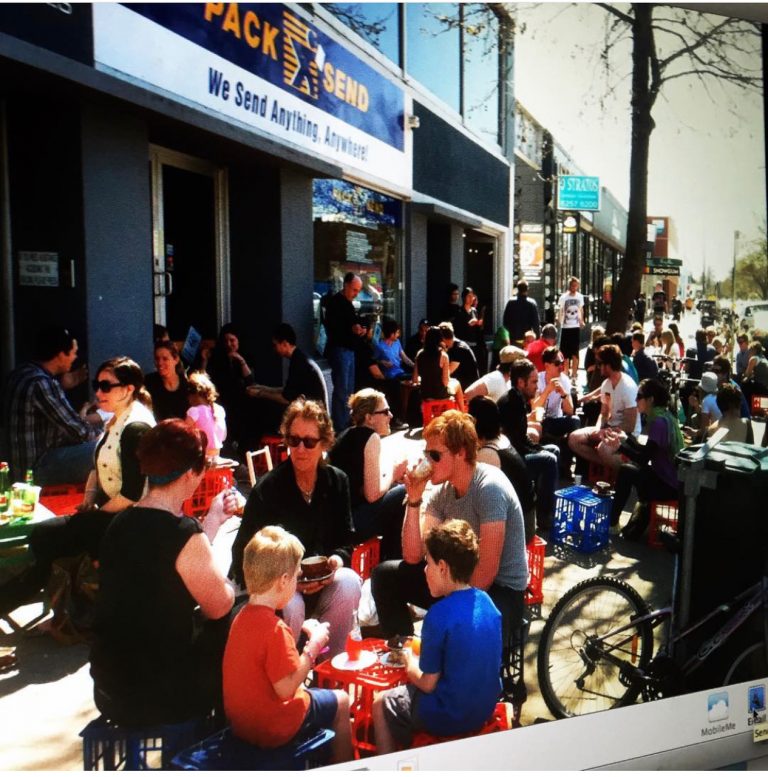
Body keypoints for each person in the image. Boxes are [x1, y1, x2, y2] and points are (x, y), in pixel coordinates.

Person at [90, 419, 238, 726]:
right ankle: (234, 734)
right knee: (239, 618)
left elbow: (168, 564)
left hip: (110, 691)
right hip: (159, 696)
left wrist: (210, 523)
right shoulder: (182, 533)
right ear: (189, 474)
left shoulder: (119, 524)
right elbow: (219, 606)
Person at [0, 356, 156, 615]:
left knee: (47, 540)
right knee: (43, 539)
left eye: (106, 386)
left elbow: (132, 493)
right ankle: (54, 608)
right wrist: (88, 498)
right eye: (97, 384)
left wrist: (95, 514)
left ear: (129, 389)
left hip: (129, 519)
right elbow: (98, 464)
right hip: (110, 513)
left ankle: (39, 607)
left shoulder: (136, 427)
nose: (98, 391)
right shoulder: (117, 418)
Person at [370, 410, 527, 652]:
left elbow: (485, 574)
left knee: (453, 621)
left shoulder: (489, 489)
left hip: (501, 591)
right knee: (385, 576)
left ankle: (444, 673)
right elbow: (413, 556)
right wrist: (413, 500)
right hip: (458, 580)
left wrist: (445, 602)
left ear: (461, 453)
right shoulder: (443, 492)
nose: (428, 462)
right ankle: (402, 655)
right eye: (426, 454)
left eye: (435, 455)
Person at [230, 399, 361, 657]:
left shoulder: (337, 482)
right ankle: (288, 671)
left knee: (350, 582)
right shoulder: (268, 489)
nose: (300, 449)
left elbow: (346, 541)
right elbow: (242, 555)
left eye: (309, 442)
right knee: (291, 602)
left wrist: (335, 561)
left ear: (324, 443)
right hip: (278, 586)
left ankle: (331, 666)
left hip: (322, 583)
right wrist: (287, 579)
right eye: (294, 440)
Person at [223, 526, 353, 763]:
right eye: (296, 577)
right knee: (342, 702)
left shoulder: (240, 618)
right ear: (284, 580)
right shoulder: (276, 628)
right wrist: (312, 648)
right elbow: (287, 688)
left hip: (243, 725)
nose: (297, 581)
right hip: (272, 728)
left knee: (309, 693)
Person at [371, 520, 501, 753]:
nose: (424, 570)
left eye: (427, 563)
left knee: (381, 703)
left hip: (451, 715)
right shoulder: (488, 602)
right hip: (484, 708)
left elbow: (428, 684)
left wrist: (409, 662)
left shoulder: (438, 615)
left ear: (442, 567)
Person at [2, 325, 102, 484]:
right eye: (74, 353)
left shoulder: (20, 374)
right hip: (35, 470)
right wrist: (105, 436)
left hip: (17, 466)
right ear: (61, 354)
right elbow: (78, 430)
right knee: (106, 450)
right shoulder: (42, 383)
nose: (75, 358)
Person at [328, 389, 408, 560]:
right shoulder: (370, 438)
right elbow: (372, 495)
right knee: (404, 492)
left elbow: (364, 485)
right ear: (369, 418)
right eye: (385, 412)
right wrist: (394, 474)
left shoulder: (346, 435)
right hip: (352, 525)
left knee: (393, 490)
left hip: (337, 521)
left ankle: (387, 557)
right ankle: (393, 559)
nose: (391, 416)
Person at [604, 379, 683, 539]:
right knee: (629, 468)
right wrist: (626, 439)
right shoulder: (663, 416)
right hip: (667, 480)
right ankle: (614, 522)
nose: (635, 400)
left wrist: (620, 446)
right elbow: (646, 453)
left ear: (651, 399)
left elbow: (643, 458)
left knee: (627, 470)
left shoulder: (659, 422)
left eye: (639, 396)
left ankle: (612, 523)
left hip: (668, 486)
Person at [498, 359, 560, 533]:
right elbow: (517, 444)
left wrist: (538, 448)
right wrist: (538, 450)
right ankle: (544, 517)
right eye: (533, 382)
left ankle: (545, 505)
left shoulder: (518, 399)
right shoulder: (511, 403)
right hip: (509, 462)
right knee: (549, 459)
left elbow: (522, 438)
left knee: (553, 450)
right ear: (520, 382)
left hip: (517, 451)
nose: (537, 387)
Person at [469, 396, 536, 544]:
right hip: (528, 520)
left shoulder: (487, 454)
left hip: (519, 530)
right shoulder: (502, 440)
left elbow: (472, 493)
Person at [247, 323, 328, 439]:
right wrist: (263, 387)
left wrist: (259, 393)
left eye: (275, 345)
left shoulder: (298, 362)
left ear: (285, 344)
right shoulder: (299, 358)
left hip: (314, 417)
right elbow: (289, 390)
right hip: (316, 413)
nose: (274, 349)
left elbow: (287, 398)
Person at [568, 344, 640, 473]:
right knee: (574, 438)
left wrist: (607, 432)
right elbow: (604, 412)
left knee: (603, 448)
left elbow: (630, 425)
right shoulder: (606, 384)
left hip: (626, 435)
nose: (598, 366)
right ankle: (607, 464)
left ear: (608, 365)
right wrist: (598, 429)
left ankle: (625, 468)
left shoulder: (628, 387)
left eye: (599, 363)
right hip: (609, 429)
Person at [201, 324, 255, 452]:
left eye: (232, 340)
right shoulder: (218, 357)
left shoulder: (245, 355)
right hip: (223, 402)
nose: (229, 344)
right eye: (226, 341)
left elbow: (250, 381)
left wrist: (240, 361)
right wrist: (204, 360)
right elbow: (204, 379)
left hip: (242, 405)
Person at [323, 273, 365, 431]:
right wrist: (352, 329)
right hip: (340, 349)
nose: (356, 293)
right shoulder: (335, 303)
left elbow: (352, 324)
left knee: (349, 391)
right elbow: (333, 329)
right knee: (342, 390)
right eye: (354, 289)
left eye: (358, 290)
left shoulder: (348, 304)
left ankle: (346, 423)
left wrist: (359, 330)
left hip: (349, 350)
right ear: (346, 285)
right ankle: (340, 427)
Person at [373, 319, 414, 428]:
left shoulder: (397, 343)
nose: (398, 334)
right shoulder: (379, 346)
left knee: (415, 379)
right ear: (391, 334)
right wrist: (382, 362)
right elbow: (373, 361)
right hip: (389, 376)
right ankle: (396, 420)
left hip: (400, 372)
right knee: (395, 389)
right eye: (397, 332)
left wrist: (415, 366)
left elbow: (404, 357)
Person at [413, 326, 465, 411]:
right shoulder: (443, 355)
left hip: (425, 394)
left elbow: (415, 380)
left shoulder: (419, 354)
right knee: (457, 383)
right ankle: (463, 413)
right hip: (440, 394)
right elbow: (445, 382)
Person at [144, 340, 189, 422]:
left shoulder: (187, 384)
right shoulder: (148, 382)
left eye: (165, 359)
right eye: (157, 359)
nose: (160, 363)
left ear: (176, 359)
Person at [186, 372, 227, 458]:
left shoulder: (194, 411)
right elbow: (223, 437)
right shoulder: (220, 410)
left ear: (193, 394)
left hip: (200, 461)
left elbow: (184, 436)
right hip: (217, 458)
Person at [453, 287, 487, 375]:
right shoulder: (459, 312)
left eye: (472, 296)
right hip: (464, 343)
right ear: (464, 297)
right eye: (469, 296)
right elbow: (457, 328)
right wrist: (468, 324)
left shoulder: (474, 311)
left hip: (474, 344)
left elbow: (478, 329)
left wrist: (479, 324)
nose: (471, 298)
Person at [557, 276, 585, 382]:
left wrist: (581, 320)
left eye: (575, 285)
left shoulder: (580, 297)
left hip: (575, 327)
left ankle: (574, 375)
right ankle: (565, 374)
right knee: (565, 353)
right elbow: (560, 310)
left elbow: (581, 309)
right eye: (572, 285)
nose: (574, 287)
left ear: (577, 286)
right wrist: (559, 319)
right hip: (566, 327)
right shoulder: (564, 297)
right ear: (569, 286)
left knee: (575, 353)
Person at [439, 321, 479, 390]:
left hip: (468, 387)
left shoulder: (460, 349)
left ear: (443, 339)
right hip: (460, 383)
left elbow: (448, 371)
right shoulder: (452, 347)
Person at [502, 280, 540, 348]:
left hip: (513, 337)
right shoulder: (532, 303)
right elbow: (536, 324)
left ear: (517, 289)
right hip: (527, 339)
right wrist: (537, 339)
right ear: (527, 289)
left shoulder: (510, 303)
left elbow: (505, 321)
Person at [741, 340, 768, 405]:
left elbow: (747, 375)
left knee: (744, 385)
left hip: (760, 387)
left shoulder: (753, 358)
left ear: (753, 351)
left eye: (750, 350)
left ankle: (746, 406)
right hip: (766, 387)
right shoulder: (764, 359)